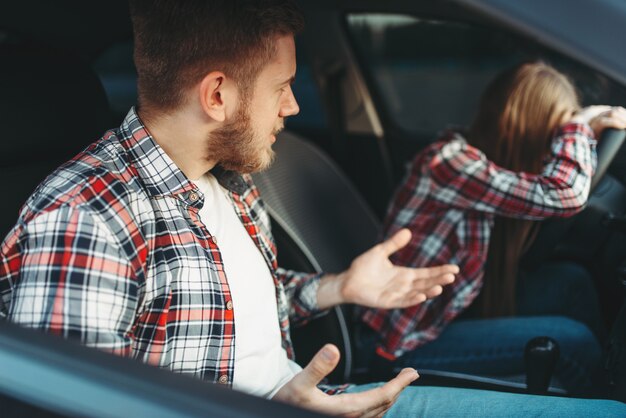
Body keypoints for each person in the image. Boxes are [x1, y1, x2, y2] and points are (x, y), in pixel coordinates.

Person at [0, 1, 624, 416]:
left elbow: (238, 311)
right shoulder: (85, 217)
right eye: (281, 87)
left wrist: (337, 289)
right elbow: (70, 404)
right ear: (217, 94)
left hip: (325, 396)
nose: (293, 107)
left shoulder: (231, 183)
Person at [357, 61, 626, 395]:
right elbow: (565, 194)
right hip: (403, 341)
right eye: (551, 135)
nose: (552, 149)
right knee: (575, 342)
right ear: (525, 127)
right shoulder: (448, 162)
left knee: (571, 281)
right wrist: (578, 128)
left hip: (449, 314)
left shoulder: (489, 162)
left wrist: (582, 131)